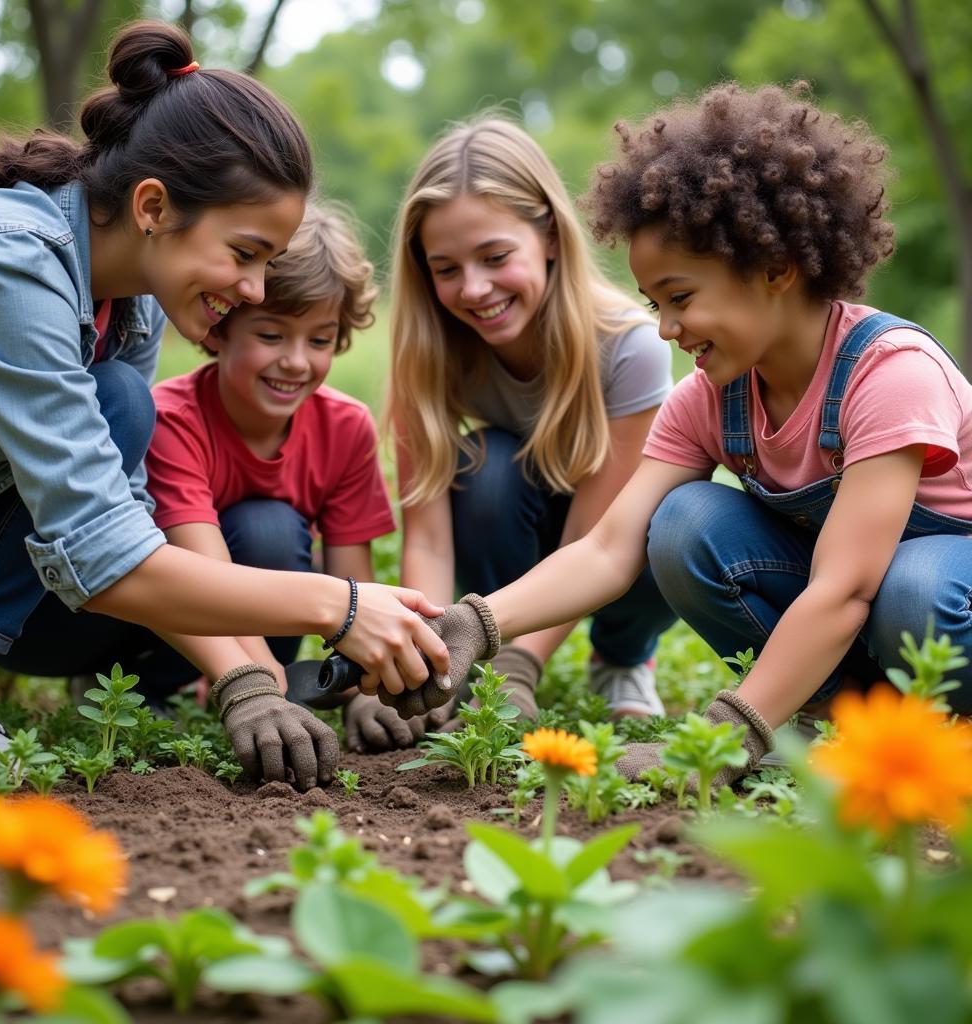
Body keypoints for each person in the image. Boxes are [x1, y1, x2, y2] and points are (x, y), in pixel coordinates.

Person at [382, 82, 972, 787]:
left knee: (914, 587)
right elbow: (606, 546)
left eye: (682, 298)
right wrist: (477, 625)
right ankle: (841, 716)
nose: (664, 328)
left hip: (941, 585)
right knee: (685, 522)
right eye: (654, 303)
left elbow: (847, 588)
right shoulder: (709, 397)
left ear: (776, 269)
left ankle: (932, 727)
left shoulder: (889, 373)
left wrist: (724, 738)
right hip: (848, 595)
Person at [0, 20, 448, 782]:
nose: (252, 290)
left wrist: (257, 677)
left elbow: (113, 516)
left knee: (118, 401)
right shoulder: (7, 259)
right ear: (153, 206)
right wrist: (340, 607)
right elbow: (106, 552)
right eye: (244, 254)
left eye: (269, 262)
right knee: (119, 402)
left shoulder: (135, 303)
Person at [386, 116, 676, 723]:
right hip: (514, 525)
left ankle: (622, 657)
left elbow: (595, 541)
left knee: (670, 517)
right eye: (446, 268)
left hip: (609, 538)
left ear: (548, 235)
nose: (474, 289)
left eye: (495, 256)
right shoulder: (430, 354)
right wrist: (420, 660)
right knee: (486, 470)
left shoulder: (630, 347)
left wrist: (524, 662)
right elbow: (431, 540)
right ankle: (479, 661)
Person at [143, 202, 443, 756]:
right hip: (172, 623)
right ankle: (173, 689)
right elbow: (206, 574)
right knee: (264, 529)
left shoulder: (345, 426)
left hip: (263, 613)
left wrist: (365, 684)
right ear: (220, 328)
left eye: (320, 339)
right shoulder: (172, 418)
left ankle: (262, 689)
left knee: (271, 531)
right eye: (272, 335)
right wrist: (258, 685)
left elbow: (352, 585)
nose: (297, 362)